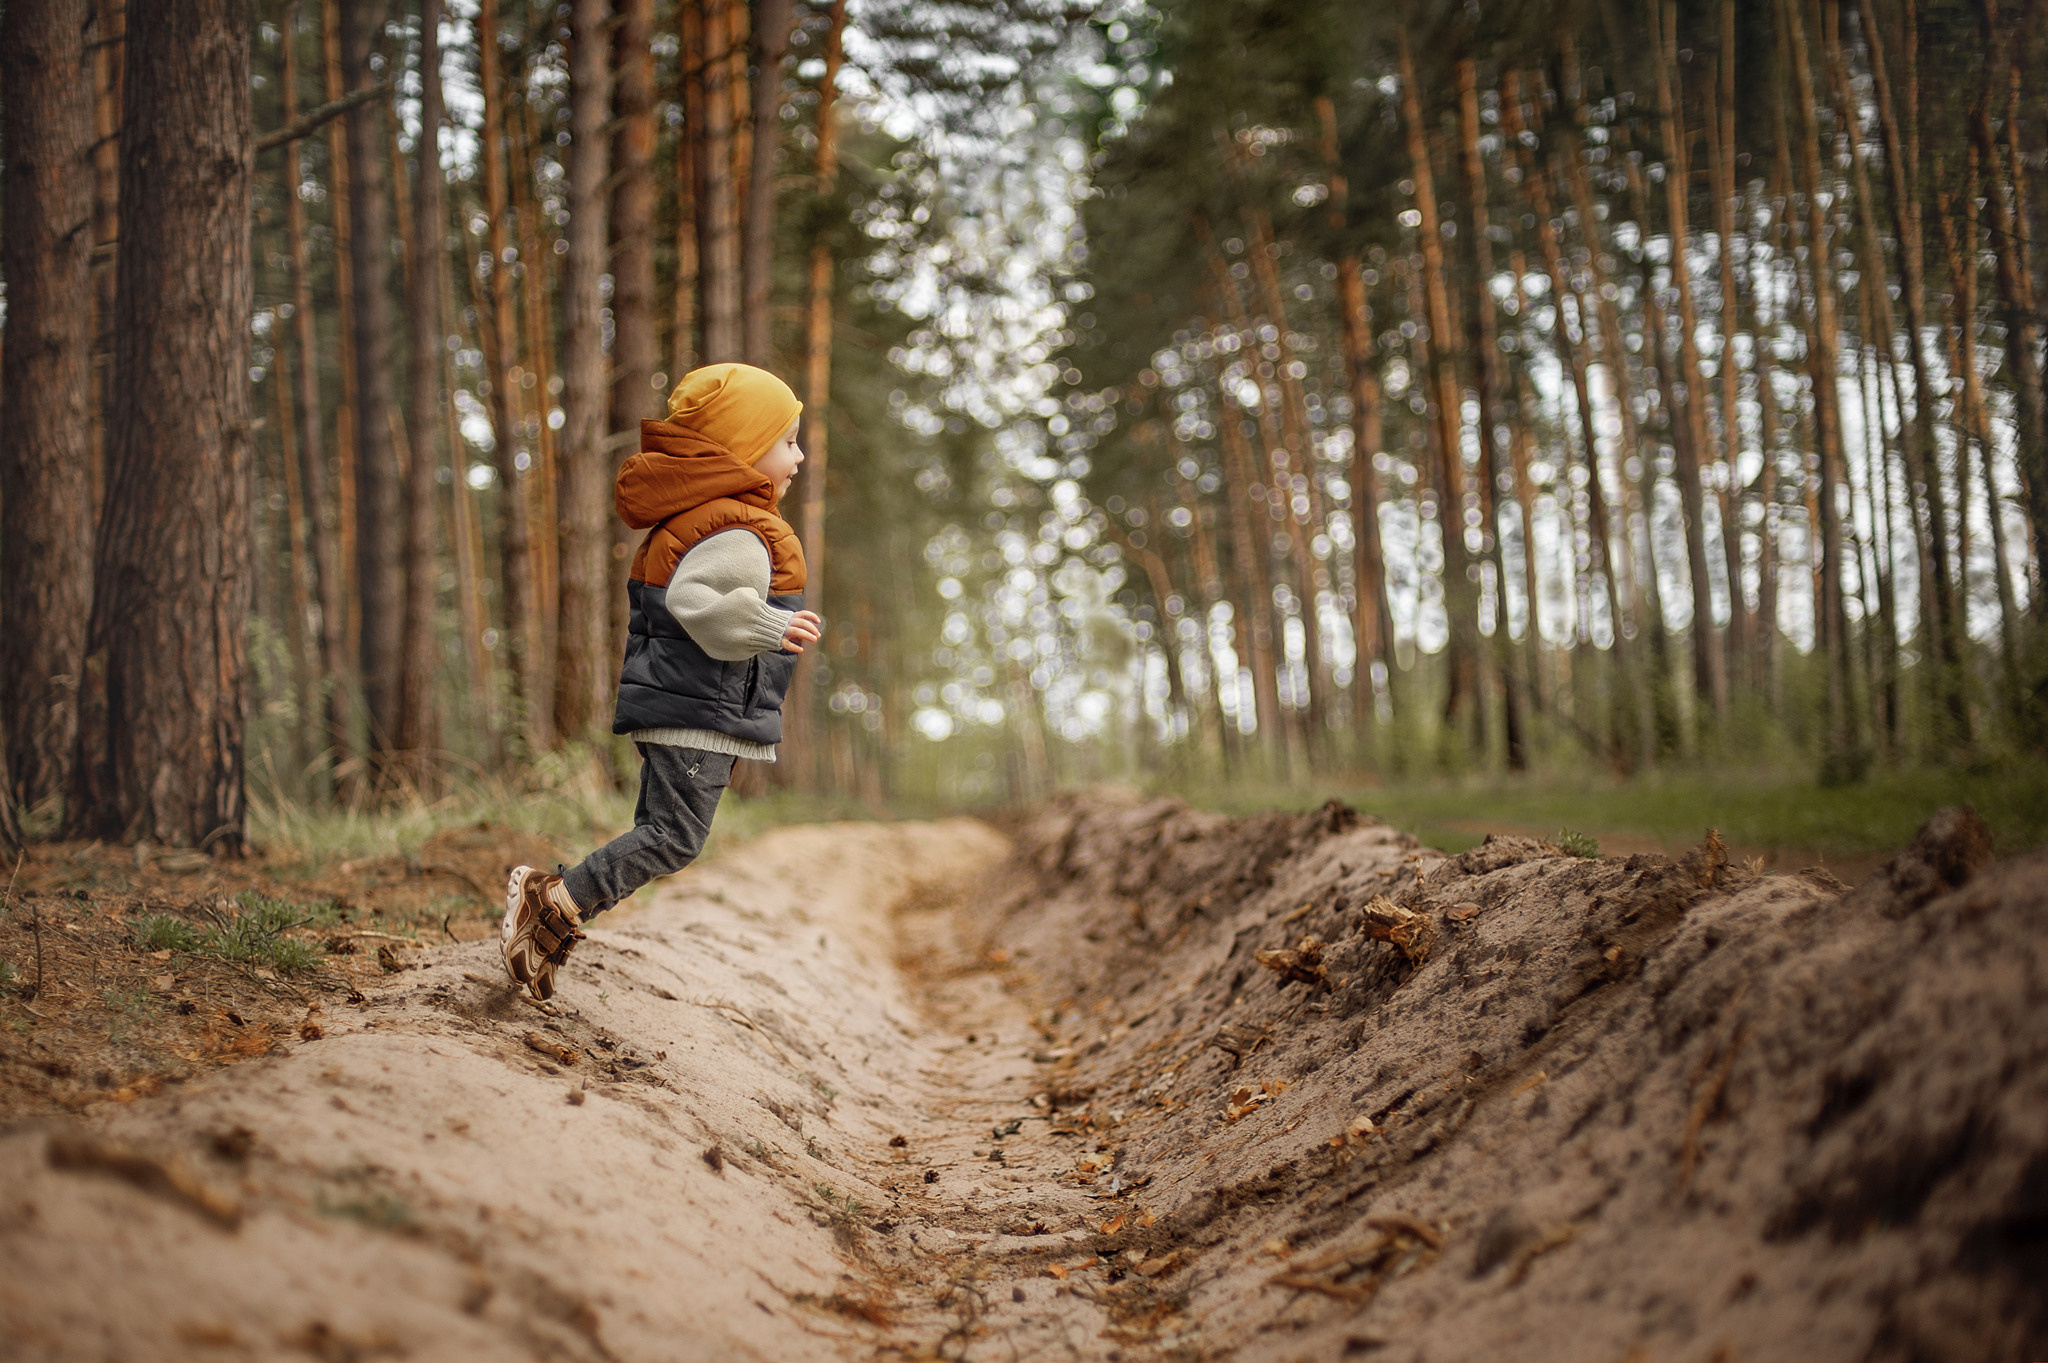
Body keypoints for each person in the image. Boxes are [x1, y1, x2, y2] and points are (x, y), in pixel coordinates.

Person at [500, 363, 822, 1001]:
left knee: (661, 832)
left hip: (685, 705)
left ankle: (547, 924)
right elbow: (694, 601)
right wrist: (766, 625)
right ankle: (553, 901)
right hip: (695, 711)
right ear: (742, 446)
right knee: (674, 838)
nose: (800, 454)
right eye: (787, 440)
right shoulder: (738, 529)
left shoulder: (714, 516)